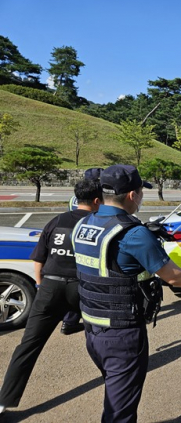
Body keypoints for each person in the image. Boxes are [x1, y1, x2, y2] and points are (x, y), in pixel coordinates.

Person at [71, 164, 181, 423]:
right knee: (120, 413)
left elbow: (113, 266)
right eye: (141, 192)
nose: (141, 197)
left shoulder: (83, 224)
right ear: (132, 195)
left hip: (92, 328)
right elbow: (175, 276)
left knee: (115, 397)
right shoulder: (134, 233)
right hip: (122, 334)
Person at [0, 178, 102, 416]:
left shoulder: (56, 221)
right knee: (101, 339)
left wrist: (40, 285)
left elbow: (39, 259)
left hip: (50, 287)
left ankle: (3, 402)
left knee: (28, 345)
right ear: (98, 200)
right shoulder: (98, 224)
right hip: (84, 288)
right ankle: (117, 381)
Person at [62, 167, 105, 334]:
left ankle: (69, 320)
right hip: (88, 236)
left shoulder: (76, 196)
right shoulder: (96, 198)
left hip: (74, 235)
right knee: (86, 281)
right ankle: (75, 320)